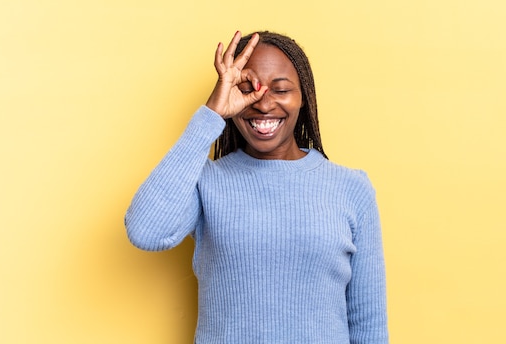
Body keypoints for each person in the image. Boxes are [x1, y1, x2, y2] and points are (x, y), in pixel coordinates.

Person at [125, 30, 389, 343]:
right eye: (247, 89)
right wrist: (212, 114)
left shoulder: (352, 189)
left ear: (303, 97)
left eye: (280, 90)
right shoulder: (206, 182)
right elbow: (145, 231)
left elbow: (368, 324)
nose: (263, 104)